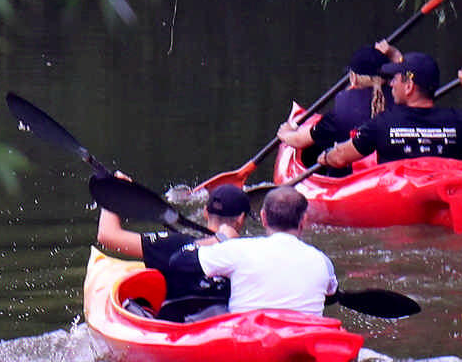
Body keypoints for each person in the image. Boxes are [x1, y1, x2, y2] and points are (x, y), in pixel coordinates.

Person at [313, 51, 462, 171]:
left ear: (409, 86)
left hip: (398, 200)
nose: (391, 84)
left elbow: (340, 158)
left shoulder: (382, 124)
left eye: (395, 79)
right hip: (445, 190)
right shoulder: (460, 120)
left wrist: (326, 157)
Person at [96, 178, 250, 321]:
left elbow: (108, 235)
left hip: (175, 327)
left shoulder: (171, 244)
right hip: (227, 326)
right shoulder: (250, 254)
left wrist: (114, 192)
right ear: (241, 218)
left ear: (205, 212)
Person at [195, 187, 338, 315]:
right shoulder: (323, 262)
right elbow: (330, 296)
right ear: (304, 220)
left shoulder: (237, 249)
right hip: (305, 335)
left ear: (263, 217)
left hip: (250, 335)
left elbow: (184, 259)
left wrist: (217, 239)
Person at [275, 40, 399, 179]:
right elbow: (410, 75)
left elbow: (298, 141)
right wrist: (395, 55)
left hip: (350, 182)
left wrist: (285, 134)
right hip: (391, 177)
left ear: (353, 78)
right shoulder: (404, 101)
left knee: (322, 145)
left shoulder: (340, 114)